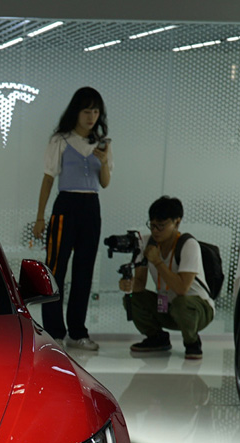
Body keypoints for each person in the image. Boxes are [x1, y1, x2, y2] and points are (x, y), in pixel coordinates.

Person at [32, 87, 112, 351]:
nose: (91, 117)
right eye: (86, 111)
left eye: (96, 111)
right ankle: (54, 331)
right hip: (66, 205)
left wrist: (105, 161)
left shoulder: (102, 143)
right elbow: (47, 179)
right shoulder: (61, 140)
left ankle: (78, 331)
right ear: (76, 112)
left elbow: (105, 183)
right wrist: (40, 217)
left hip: (92, 206)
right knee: (55, 269)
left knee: (84, 270)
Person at [119, 196, 214, 360]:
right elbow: (140, 285)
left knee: (181, 303)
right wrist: (128, 284)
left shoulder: (188, 245)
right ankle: (157, 338)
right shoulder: (146, 243)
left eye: (161, 226)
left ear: (177, 222)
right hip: (167, 306)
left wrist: (157, 261)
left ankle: (192, 342)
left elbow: (182, 289)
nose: (155, 230)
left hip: (198, 309)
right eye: (152, 225)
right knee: (133, 298)